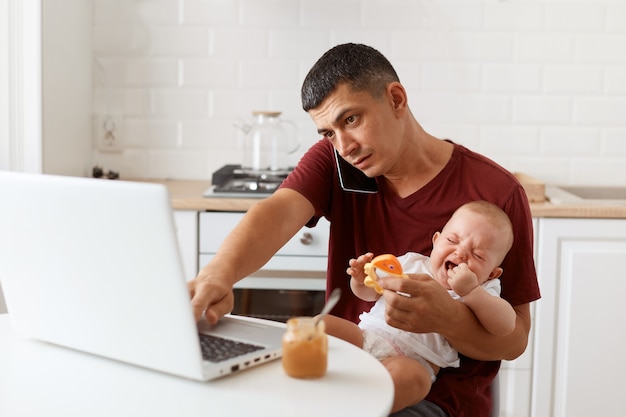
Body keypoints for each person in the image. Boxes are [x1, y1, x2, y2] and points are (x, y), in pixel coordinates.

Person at [189, 43, 540, 416]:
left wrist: (449, 318)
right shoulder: (336, 163)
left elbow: (514, 341)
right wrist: (218, 276)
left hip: (436, 399)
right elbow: (277, 212)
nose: (345, 147)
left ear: (396, 99)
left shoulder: (495, 194)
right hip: (346, 368)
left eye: (351, 120)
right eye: (328, 133)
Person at [322, 200, 517, 413]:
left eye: (478, 255)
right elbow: (370, 291)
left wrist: (472, 292)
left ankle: (360, 406)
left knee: (414, 381)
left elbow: (505, 325)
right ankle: (301, 372)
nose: (460, 254)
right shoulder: (411, 262)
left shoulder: (483, 289)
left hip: (411, 361)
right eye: (452, 240)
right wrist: (359, 279)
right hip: (365, 337)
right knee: (323, 325)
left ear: (492, 273)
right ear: (435, 241)